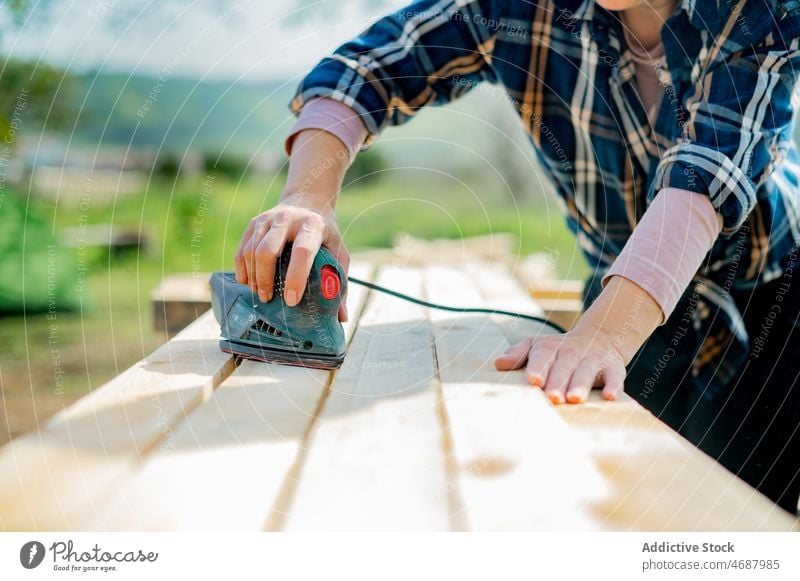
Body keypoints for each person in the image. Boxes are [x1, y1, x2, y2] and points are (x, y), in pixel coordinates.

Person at [234, 0, 800, 513]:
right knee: (643, 512)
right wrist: (308, 196)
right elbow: (366, 69)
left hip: (773, 296)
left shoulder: (761, 13)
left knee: (757, 519)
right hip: (623, 299)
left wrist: (602, 336)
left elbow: (706, 177)